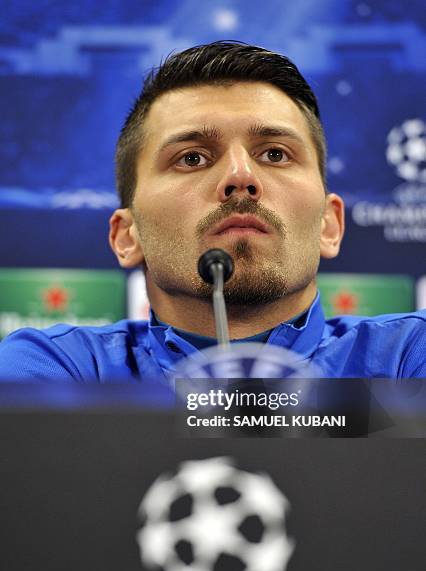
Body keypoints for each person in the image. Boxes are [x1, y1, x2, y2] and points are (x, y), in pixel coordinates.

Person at [0, 41, 425, 380]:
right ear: (127, 237)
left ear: (329, 225)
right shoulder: (55, 369)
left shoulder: (407, 358)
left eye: (275, 154)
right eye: (192, 158)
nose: (240, 176)